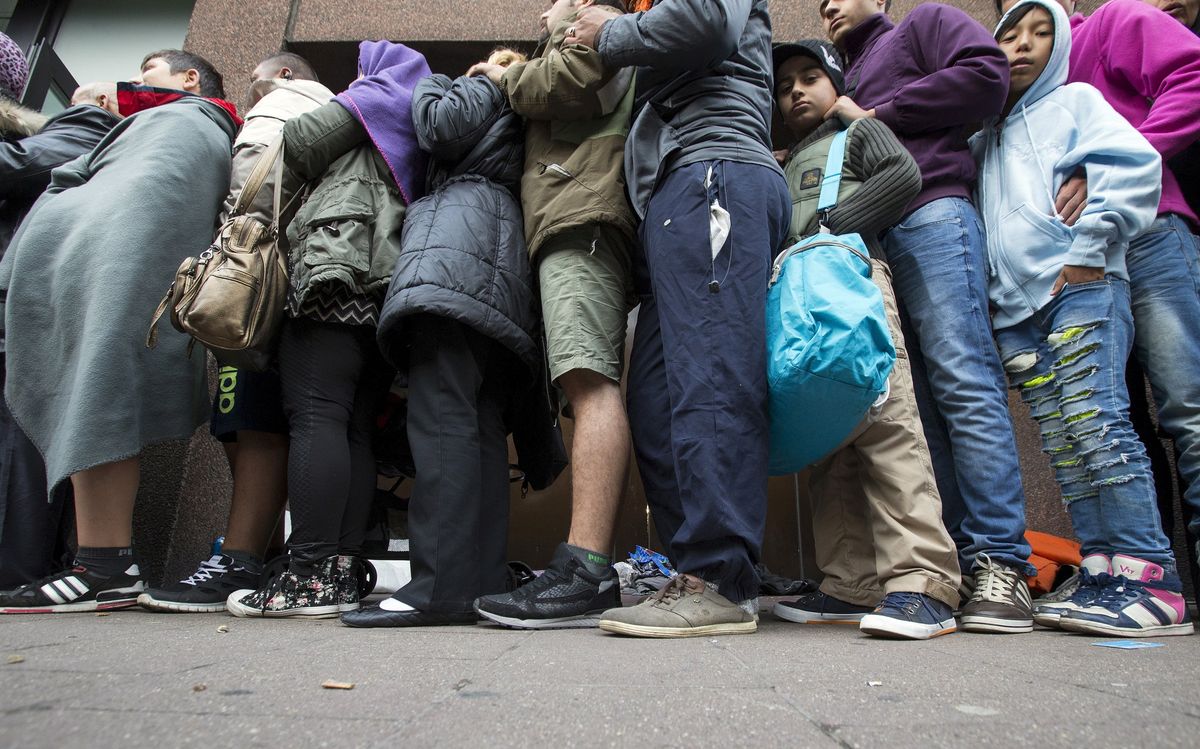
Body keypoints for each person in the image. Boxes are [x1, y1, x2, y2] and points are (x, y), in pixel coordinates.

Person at [563, 0, 790, 638]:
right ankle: (696, 571)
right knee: (659, 394)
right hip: (684, 184)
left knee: (710, 376)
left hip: (712, 172)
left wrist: (609, 31)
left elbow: (707, 20)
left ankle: (721, 577)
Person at [819, 0, 1037, 634]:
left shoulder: (925, 23)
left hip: (934, 213)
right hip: (875, 245)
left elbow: (986, 76)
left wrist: (877, 116)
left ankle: (1003, 564)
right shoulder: (841, 74)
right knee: (918, 409)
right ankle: (961, 569)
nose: (829, 3)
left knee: (964, 384)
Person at [975, 0, 1191, 637]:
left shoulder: (1077, 103)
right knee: (1067, 443)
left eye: (1040, 34)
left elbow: (1134, 165)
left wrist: (1089, 251)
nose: (1022, 46)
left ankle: (1151, 578)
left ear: (1063, 41)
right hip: (1021, 315)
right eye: (1009, 36)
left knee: (1099, 425)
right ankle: (1102, 572)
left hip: (1080, 288)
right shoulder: (983, 140)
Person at [0, 50, 240, 613]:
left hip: (117, 270)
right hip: (97, 269)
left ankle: (104, 564)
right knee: (92, 391)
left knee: (99, 389)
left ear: (189, 78)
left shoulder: (189, 122)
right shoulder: (160, 126)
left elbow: (141, 202)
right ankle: (102, 561)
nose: (133, 78)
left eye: (148, 68)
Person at [341, 49, 546, 628]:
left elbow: (437, 126)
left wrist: (442, 84)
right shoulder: (520, 121)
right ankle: (474, 581)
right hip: (497, 261)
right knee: (477, 423)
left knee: (441, 414)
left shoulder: (478, 92)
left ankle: (436, 585)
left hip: (458, 247)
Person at [226, 41, 427, 619]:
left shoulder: (381, 96)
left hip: (336, 273)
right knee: (354, 427)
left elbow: (300, 143)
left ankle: (308, 572)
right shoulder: (420, 121)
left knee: (316, 414)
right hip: (385, 286)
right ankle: (337, 568)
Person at [769, 40, 962, 640]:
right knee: (829, 438)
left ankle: (924, 580)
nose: (796, 90)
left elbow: (902, 174)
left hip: (852, 277)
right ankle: (850, 580)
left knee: (887, 423)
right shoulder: (783, 158)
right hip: (803, 287)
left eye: (809, 77)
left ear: (837, 83)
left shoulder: (856, 130)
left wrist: (834, 225)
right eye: (784, 86)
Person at [138, 52, 334, 613]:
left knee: (252, 418)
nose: (249, 94)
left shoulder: (286, 103)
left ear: (285, 76)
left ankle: (239, 559)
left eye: (256, 81)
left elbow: (252, 186)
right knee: (255, 419)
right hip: (290, 282)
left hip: (257, 282)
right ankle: (257, 553)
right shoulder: (323, 113)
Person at [467, 0, 636, 629]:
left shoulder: (593, 30)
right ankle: (587, 564)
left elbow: (567, 79)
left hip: (580, 217)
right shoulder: (586, 35)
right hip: (574, 215)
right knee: (585, 381)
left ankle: (587, 568)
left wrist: (499, 76)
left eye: (554, 3)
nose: (543, 12)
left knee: (589, 381)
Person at [0, 33, 120, 590]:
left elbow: (23, 165)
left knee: (18, 445)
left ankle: (17, 569)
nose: (71, 98)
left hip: (19, 307)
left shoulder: (85, 129)